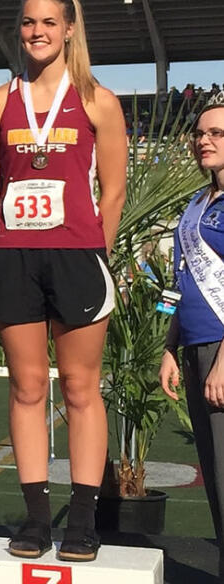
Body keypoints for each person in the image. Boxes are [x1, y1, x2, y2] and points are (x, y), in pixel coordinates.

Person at [0, 0, 126, 562]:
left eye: (48, 22)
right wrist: (13, 235)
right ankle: (37, 518)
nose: (37, 31)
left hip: (78, 256)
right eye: (28, 22)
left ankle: (83, 519)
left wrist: (93, 247)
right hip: (16, 257)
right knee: (27, 387)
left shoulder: (97, 101)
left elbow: (112, 190)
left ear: (68, 30)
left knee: (82, 389)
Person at [160, 102, 224, 581]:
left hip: (221, 354)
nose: (204, 140)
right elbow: (177, 282)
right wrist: (168, 346)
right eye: (200, 134)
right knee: (215, 477)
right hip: (194, 348)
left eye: (217, 133)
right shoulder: (195, 206)